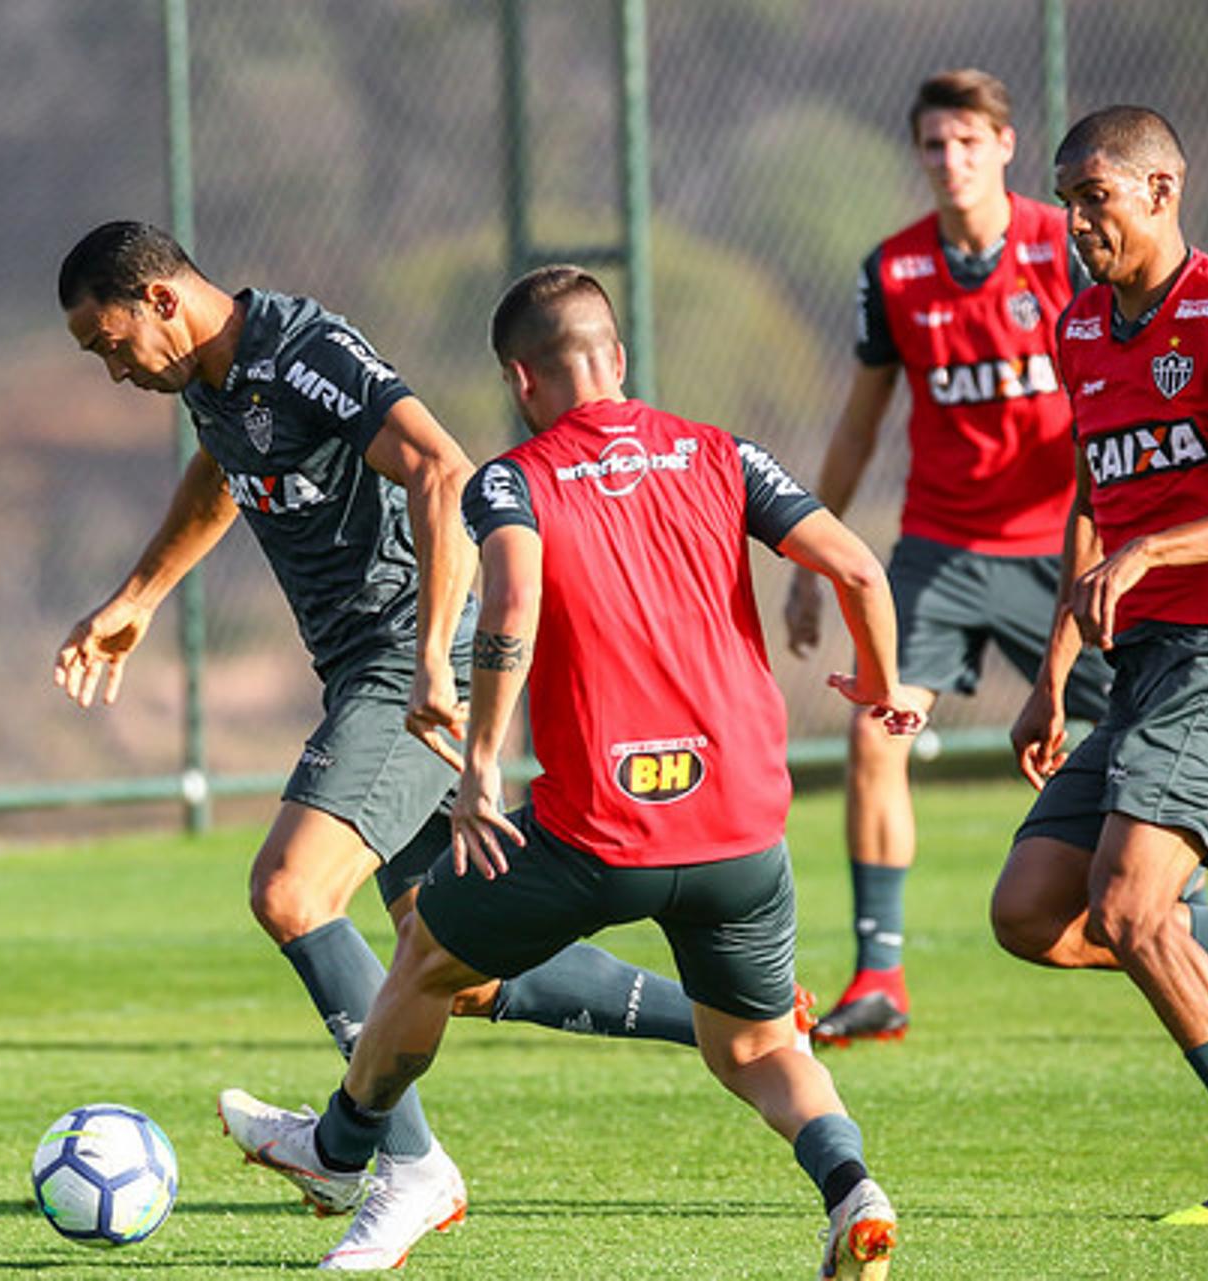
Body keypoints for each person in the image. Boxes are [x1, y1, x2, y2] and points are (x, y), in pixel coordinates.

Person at [53, 222, 746, 1263]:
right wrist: (139, 597)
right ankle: (738, 1019)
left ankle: (398, 1167)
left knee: (291, 891)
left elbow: (438, 464)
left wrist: (428, 657)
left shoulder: (302, 352)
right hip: (372, 668)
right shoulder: (211, 380)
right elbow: (222, 471)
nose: (111, 370)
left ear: (160, 300)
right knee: (452, 959)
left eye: (109, 343)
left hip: (413, 662)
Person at [220, 265, 922, 1274]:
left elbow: (508, 610)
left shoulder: (515, 479)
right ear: (619, 358)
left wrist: (479, 765)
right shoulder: (725, 454)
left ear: (520, 378)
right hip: (742, 831)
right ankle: (854, 1188)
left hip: (599, 831)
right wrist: (885, 685)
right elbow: (857, 566)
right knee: (759, 1049)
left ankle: (339, 1153)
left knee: (424, 953)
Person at [990, 105, 1208, 1224]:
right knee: (1034, 914)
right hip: (1143, 665)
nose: (1077, 218)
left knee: (1136, 910)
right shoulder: (1080, 329)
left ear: (1161, 189)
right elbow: (1094, 500)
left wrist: (1155, 549)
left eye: (1096, 195)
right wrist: (1050, 674)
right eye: (1068, 197)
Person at [785, 69, 1118, 1046]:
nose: (951, 160)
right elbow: (856, 427)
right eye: (935, 144)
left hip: (1065, 544)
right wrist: (811, 554)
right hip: (939, 545)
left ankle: (1173, 915)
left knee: (1141, 731)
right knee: (876, 730)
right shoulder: (892, 269)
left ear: (1005, 147)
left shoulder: (1064, 245)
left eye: (969, 142)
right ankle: (880, 976)